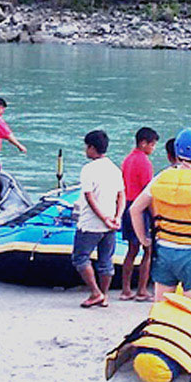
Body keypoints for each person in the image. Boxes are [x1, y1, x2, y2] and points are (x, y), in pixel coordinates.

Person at [130, 128, 191, 303]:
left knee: (162, 308)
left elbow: (135, 209)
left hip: (165, 251)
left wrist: (144, 240)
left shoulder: (161, 177)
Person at [72, 130, 125, 309]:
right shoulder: (115, 169)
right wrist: (117, 217)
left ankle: (95, 292)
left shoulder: (89, 169)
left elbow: (89, 197)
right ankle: (104, 295)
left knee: (80, 258)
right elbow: (121, 196)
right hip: (111, 222)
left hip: (91, 223)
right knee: (105, 261)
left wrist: (103, 218)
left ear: (92, 148)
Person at [119, 127, 159, 302]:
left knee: (131, 250)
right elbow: (147, 192)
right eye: (152, 145)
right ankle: (142, 289)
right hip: (140, 209)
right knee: (147, 250)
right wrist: (155, 216)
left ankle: (126, 289)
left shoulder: (128, 159)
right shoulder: (144, 162)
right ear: (144, 143)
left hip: (128, 205)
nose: (153, 148)